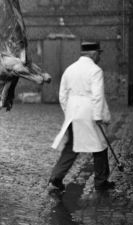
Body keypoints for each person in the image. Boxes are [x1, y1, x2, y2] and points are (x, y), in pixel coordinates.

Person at [48, 40, 114, 195]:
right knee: (100, 147)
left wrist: (69, 112)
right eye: (99, 53)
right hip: (90, 113)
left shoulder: (70, 69)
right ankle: (101, 182)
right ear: (93, 53)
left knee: (71, 147)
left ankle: (55, 179)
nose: (99, 57)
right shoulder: (95, 70)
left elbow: (62, 95)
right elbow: (97, 96)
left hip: (73, 113)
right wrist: (98, 115)